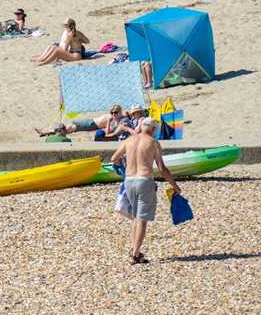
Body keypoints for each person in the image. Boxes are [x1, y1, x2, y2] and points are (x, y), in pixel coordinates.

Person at [112, 118, 181, 264]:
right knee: (142, 219)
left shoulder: (129, 140)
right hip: (144, 181)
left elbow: (114, 158)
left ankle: (135, 249)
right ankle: (136, 254)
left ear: (141, 126)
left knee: (136, 216)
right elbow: (162, 169)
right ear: (154, 129)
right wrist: (175, 186)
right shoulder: (153, 143)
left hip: (129, 181)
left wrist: (123, 169)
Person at [38, 105, 126, 138]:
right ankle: (46, 132)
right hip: (89, 123)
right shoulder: (111, 118)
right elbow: (108, 131)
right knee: (65, 130)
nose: (113, 114)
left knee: (65, 130)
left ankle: (46, 133)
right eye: (112, 112)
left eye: (115, 112)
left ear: (119, 112)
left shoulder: (119, 117)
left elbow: (125, 116)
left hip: (90, 124)